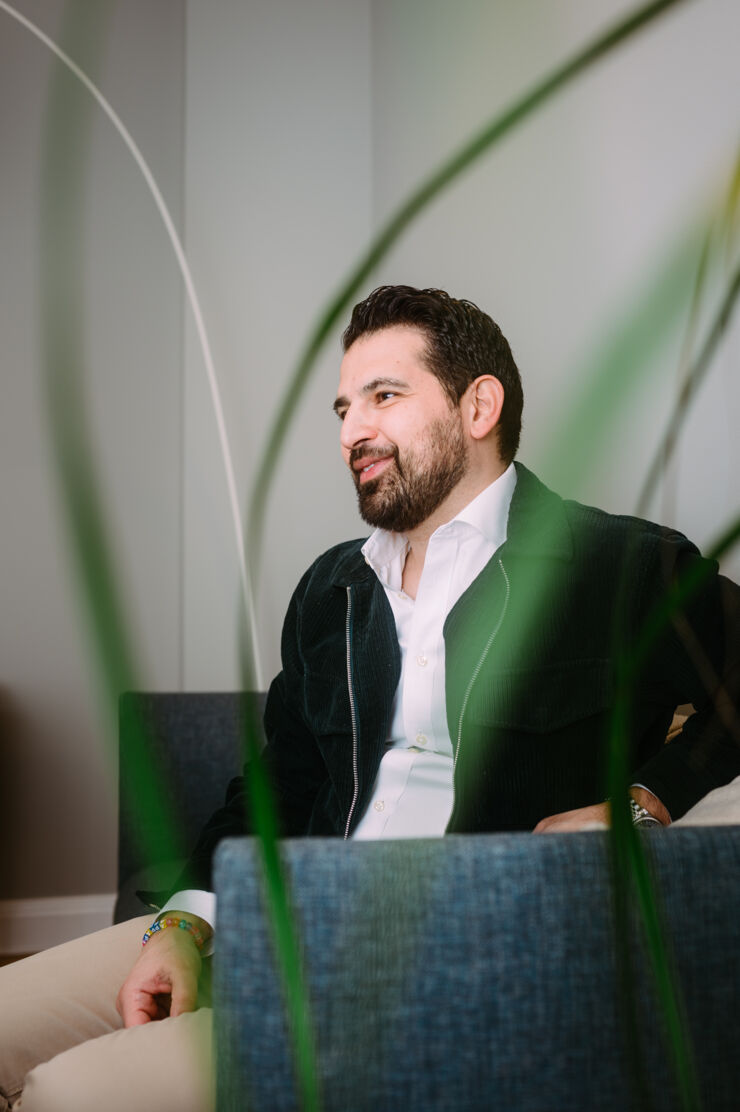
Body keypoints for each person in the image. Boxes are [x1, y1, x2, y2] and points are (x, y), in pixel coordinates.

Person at [2, 285, 739, 1111]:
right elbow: (277, 779)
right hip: (278, 925)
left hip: (435, 972)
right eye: (345, 407)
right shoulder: (334, 588)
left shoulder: (618, 567)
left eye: (385, 396)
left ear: (478, 405)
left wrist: (643, 804)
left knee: (67, 1096)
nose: (354, 430)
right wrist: (184, 925)